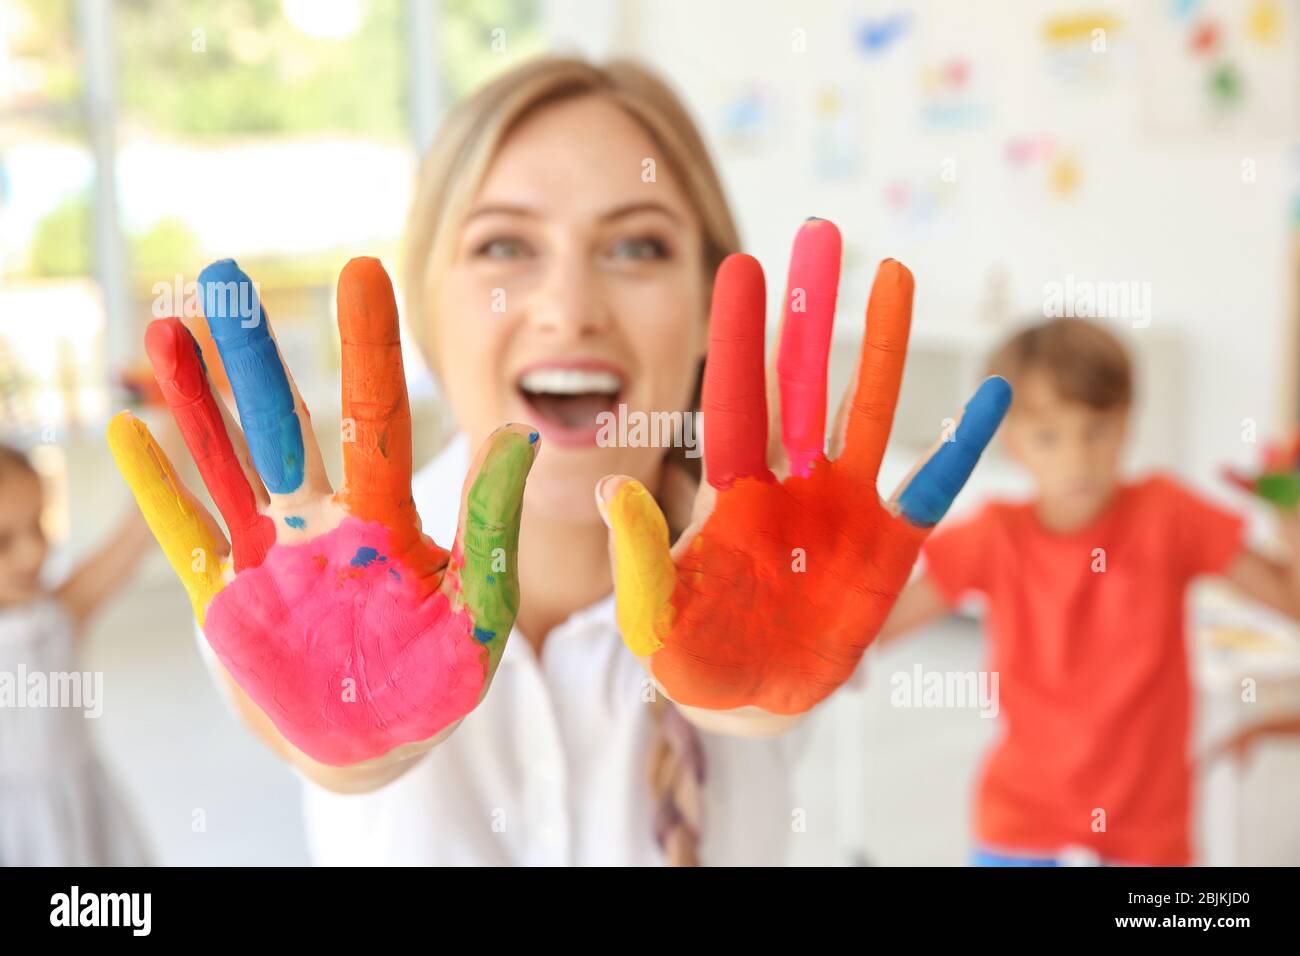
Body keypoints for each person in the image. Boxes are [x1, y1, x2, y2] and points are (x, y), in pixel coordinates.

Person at [108, 56, 1007, 866]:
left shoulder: (784, 567)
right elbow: (328, 757)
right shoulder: (278, 570)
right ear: (429, 308)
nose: (568, 305)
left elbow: (743, 706)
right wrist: (361, 729)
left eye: (636, 246)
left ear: (707, 311)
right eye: (504, 245)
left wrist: (733, 671)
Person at [877, 317, 1300, 866]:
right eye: (1048, 435)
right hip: (1023, 814)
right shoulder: (994, 536)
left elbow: (1288, 599)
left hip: (1149, 819)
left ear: (1127, 422)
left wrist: (1290, 521)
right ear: (1011, 443)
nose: (1077, 458)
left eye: (1096, 429)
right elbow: (876, 632)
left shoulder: (1169, 515)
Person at [0, 443, 152, 865]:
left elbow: (139, 527)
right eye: (3, 541)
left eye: (39, 527)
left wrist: (174, 409)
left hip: (89, 819)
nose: (32, 552)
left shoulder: (62, 612)